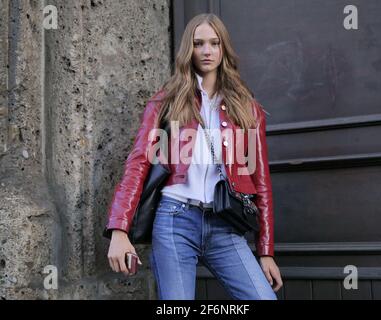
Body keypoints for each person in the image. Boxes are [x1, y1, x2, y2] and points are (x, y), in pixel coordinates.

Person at [106, 13, 283, 300]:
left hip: (224, 225)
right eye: (198, 43)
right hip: (175, 220)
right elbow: (138, 163)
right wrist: (119, 229)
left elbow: (260, 181)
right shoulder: (165, 102)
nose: (207, 50)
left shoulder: (247, 109)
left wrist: (265, 251)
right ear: (189, 49)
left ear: (223, 48)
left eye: (214, 43)